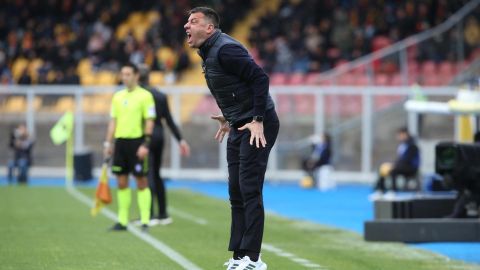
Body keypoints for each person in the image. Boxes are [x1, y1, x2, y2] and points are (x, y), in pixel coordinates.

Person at [185, 7, 280, 270]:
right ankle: (240, 257)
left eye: (193, 22)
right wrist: (230, 117)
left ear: (209, 28)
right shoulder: (208, 52)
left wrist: (258, 120)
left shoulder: (226, 49)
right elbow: (236, 88)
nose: (186, 26)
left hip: (257, 125)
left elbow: (260, 79)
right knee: (236, 191)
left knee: (249, 189)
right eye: (187, 22)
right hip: (240, 123)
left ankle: (253, 258)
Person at [103, 62, 156, 231]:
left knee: (141, 181)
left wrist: (145, 144)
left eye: (127, 74)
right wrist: (108, 143)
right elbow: (113, 121)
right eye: (122, 74)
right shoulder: (117, 96)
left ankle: (145, 220)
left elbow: (150, 120)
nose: (124, 77)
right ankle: (123, 220)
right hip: (120, 143)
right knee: (121, 181)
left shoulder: (145, 96)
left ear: (136, 76)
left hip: (137, 143)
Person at [137, 64, 191, 226]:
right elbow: (168, 119)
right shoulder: (160, 95)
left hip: (145, 136)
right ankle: (162, 213)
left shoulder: (139, 95)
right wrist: (180, 139)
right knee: (157, 173)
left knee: (147, 174)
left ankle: (150, 215)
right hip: (159, 135)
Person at [370, 127, 420, 200]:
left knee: (393, 171)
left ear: (405, 134)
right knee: (383, 169)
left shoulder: (412, 146)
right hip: (402, 166)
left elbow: (406, 160)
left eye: (400, 135)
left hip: (411, 168)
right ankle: (379, 191)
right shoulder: (402, 145)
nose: (399, 137)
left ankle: (392, 192)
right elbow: (400, 159)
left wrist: (394, 166)